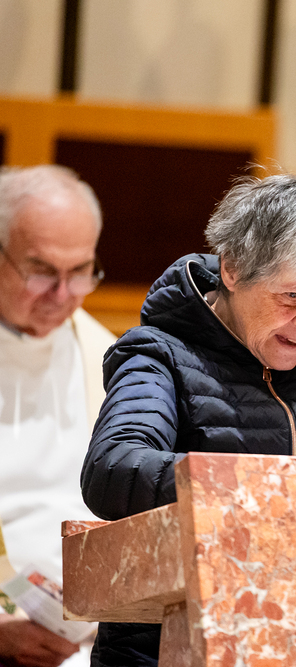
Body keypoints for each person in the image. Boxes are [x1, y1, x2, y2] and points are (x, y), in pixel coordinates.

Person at [81, 174, 296, 666]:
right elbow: (113, 468)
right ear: (233, 268)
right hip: (169, 647)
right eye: (293, 296)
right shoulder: (158, 354)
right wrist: (260, 490)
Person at [0, 165, 115, 667]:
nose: (64, 294)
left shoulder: (109, 359)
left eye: (81, 271)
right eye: (42, 271)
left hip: (92, 638)